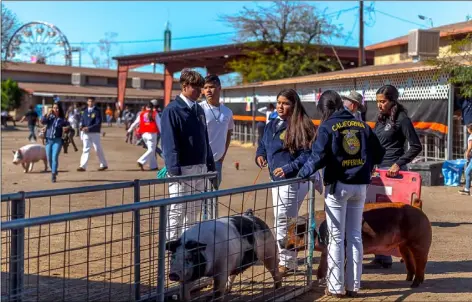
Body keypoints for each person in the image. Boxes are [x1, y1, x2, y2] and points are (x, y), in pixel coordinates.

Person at [298, 90, 385, 297]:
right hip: (360, 185)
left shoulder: (328, 126)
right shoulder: (363, 126)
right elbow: (380, 153)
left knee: (336, 237)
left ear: (325, 108)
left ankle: (336, 287)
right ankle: (353, 285)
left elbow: (317, 157)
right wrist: (366, 165)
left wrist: (301, 173)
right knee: (355, 236)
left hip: (338, 186)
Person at [255, 88, 317, 275]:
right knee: (279, 219)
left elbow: (307, 155)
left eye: (285, 103)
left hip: (292, 180)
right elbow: (263, 145)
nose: (280, 106)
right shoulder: (271, 124)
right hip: (275, 180)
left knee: (285, 220)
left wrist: (288, 168)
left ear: (294, 105)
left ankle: (288, 262)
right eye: (279, 102)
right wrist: (260, 155)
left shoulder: (302, 126)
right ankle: (285, 258)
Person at [370, 84, 422, 269]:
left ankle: (402, 255)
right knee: (377, 216)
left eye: (383, 101)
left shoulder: (402, 119)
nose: (379, 105)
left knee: (393, 217)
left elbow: (416, 146)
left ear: (392, 101)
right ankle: (382, 256)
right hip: (379, 174)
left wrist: (398, 164)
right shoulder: (380, 119)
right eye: (377, 102)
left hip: (395, 175)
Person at [161, 68, 215, 240]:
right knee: (177, 208)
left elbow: (205, 138)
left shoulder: (199, 110)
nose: (200, 91)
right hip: (182, 169)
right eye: (196, 88)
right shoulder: (172, 110)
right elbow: (169, 141)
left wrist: (210, 163)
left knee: (194, 209)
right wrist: (173, 168)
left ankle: (188, 242)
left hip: (200, 167)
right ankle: (172, 243)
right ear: (185, 86)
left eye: (201, 87)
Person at [200, 74, 234, 187]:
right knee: (198, 199)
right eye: (205, 88)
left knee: (213, 198)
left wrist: (222, 156)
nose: (208, 90)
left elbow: (228, 133)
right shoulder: (199, 109)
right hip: (200, 162)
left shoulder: (227, 112)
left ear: (219, 88)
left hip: (217, 162)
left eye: (211, 87)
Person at [127, 100, 161, 171]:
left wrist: (129, 130)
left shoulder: (142, 114)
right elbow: (159, 124)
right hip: (152, 134)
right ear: (153, 107)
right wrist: (162, 133)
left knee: (151, 149)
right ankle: (141, 161)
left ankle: (153, 166)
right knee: (151, 150)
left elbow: (135, 123)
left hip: (144, 134)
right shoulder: (155, 113)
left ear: (146, 107)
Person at [41, 103, 70, 183]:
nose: (55, 109)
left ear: (59, 109)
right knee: (49, 158)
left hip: (58, 140)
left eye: (57, 108)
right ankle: (54, 169)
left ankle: (53, 174)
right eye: (54, 108)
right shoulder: (49, 117)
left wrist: (67, 128)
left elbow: (68, 126)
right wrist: (47, 114)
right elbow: (43, 121)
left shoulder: (62, 119)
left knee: (54, 157)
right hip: (48, 140)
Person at [77, 97, 108, 172]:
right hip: (86, 133)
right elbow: (82, 120)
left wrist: (89, 128)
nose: (90, 103)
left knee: (97, 149)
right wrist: (81, 127)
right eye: (89, 101)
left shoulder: (97, 111)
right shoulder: (84, 111)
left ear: (94, 102)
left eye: (92, 101)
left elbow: (98, 123)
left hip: (94, 133)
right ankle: (82, 166)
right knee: (85, 149)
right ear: (87, 102)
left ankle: (103, 164)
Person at [460, 124, 472, 195]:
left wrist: (467, 153)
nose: (467, 129)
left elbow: (470, 147)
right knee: (468, 171)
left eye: (468, 128)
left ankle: (467, 190)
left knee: (467, 172)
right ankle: (467, 189)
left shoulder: (471, 137)